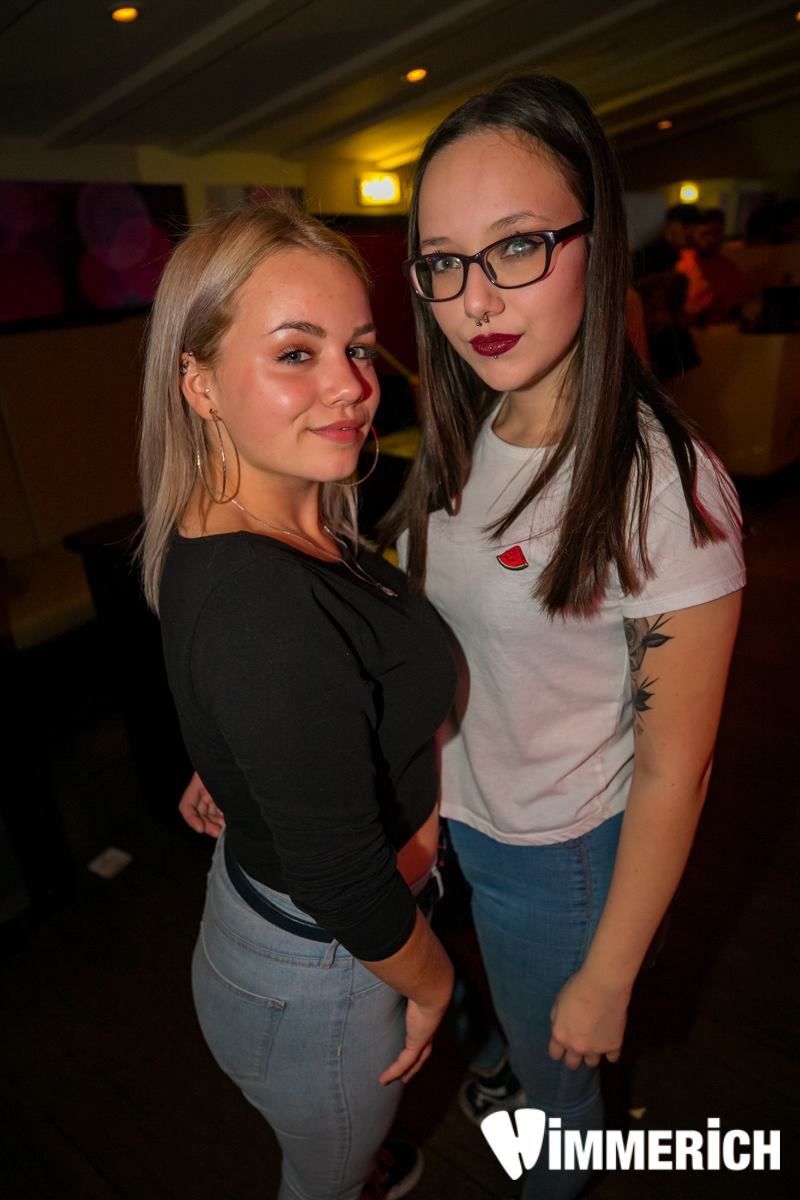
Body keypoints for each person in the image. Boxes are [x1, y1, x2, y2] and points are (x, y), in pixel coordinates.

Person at [380, 75, 744, 1199]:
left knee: (563, 1105)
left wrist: (609, 974)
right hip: (459, 814)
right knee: (463, 1011)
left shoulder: (660, 489)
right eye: (443, 261)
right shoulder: (477, 418)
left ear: (597, 239)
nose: (475, 298)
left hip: (559, 858)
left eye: (517, 246)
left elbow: (677, 769)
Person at [138, 201, 456, 1200]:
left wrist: (236, 761)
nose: (351, 386)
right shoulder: (265, 603)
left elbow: (245, 679)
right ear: (198, 382)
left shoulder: (267, 519)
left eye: (357, 347)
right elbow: (342, 877)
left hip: (280, 933)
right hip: (328, 972)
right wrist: (436, 983)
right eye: (295, 353)